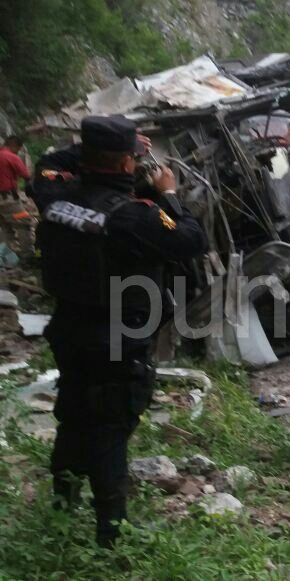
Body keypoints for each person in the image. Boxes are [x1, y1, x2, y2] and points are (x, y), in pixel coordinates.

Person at [39, 115, 207, 548]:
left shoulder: (51, 194)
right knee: (110, 433)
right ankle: (110, 537)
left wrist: (91, 148)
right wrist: (168, 194)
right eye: (134, 157)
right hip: (118, 341)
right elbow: (189, 237)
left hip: (69, 331)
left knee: (73, 418)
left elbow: (48, 162)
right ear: (125, 165)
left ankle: (60, 515)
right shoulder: (138, 216)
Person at [0, 136, 35, 257]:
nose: (17, 152)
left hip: (3, 202)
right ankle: (28, 255)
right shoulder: (11, 156)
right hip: (8, 200)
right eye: (18, 149)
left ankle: (6, 256)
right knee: (23, 222)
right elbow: (25, 175)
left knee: (5, 227)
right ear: (14, 145)